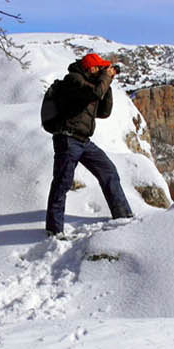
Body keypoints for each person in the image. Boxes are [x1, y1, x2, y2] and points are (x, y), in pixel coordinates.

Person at [43, 52, 135, 236]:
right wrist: (105, 79)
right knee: (62, 182)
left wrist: (108, 84)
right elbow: (94, 93)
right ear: (91, 68)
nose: (102, 70)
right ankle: (54, 231)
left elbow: (104, 112)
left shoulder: (93, 84)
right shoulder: (74, 81)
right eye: (99, 68)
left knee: (108, 171)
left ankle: (123, 217)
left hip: (83, 141)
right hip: (67, 139)